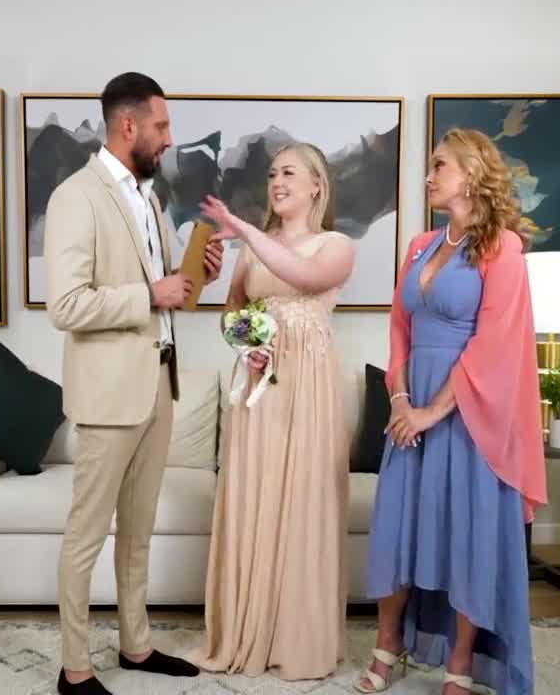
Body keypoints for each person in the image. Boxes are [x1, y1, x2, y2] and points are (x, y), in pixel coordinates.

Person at [44, 71, 225, 695]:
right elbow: (66, 305)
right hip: (107, 398)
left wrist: (194, 275)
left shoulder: (149, 199)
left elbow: (167, 296)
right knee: (86, 535)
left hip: (157, 386)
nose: (169, 138)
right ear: (129, 126)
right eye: (162, 126)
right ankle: (74, 669)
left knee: (138, 532)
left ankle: (136, 646)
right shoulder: (76, 197)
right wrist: (151, 292)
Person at [356, 128, 546, 695]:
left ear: (472, 173)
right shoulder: (420, 245)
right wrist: (399, 400)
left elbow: (492, 345)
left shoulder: (503, 248)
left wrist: (430, 413)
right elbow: (400, 327)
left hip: (470, 417)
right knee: (396, 529)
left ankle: (460, 662)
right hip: (409, 406)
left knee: (466, 535)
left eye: (440, 165)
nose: (429, 175)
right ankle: (387, 643)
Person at [187, 142, 356, 681]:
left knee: (304, 499)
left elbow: (303, 278)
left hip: (308, 388)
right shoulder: (252, 250)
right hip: (258, 388)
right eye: (271, 174)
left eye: (289, 173)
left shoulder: (336, 245)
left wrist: (243, 228)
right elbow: (232, 311)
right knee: (253, 495)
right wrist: (245, 343)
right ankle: (247, 628)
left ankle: (296, 638)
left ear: (316, 185)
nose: (277, 182)